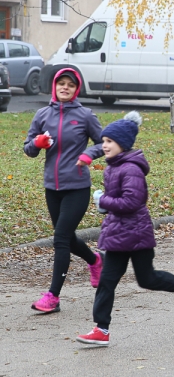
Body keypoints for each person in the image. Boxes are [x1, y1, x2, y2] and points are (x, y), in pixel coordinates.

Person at [77, 112, 174, 346]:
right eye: (104, 141)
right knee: (107, 281)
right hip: (117, 234)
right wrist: (106, 205)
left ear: (123, 144)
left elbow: (132, 203)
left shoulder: (131, 169)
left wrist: (103, 201)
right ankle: (101, 329)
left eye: (109, 141)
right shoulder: (113, 167)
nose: (104, 145)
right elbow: (117, 200)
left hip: (137, 234)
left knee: (147, 279)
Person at [24, 68, 105, 314]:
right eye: (61, 83)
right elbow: (28, 148)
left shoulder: (85, 115)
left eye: (70, 84)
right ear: (54, 86)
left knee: (60, 239)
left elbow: (104, 142)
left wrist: (88, 154)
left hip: (77, 187)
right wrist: (37, 144)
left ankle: (53, 296)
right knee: (67, 238)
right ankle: (95, 260)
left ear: (76, 89)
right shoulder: (42, 114)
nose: (65, 88)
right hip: (52, 187)